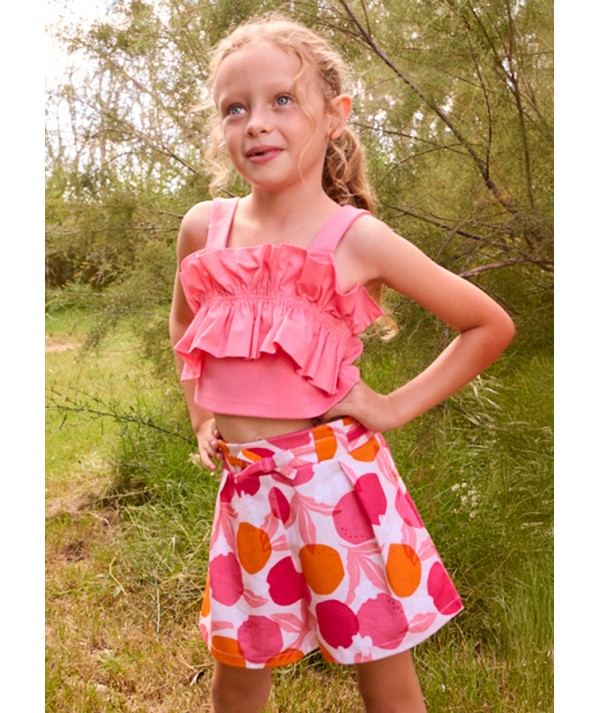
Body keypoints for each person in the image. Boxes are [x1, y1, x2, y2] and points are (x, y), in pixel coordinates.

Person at [169, 13, 515, 713]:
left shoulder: (357, 238)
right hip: (247, 491)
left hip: (338, 488)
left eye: (282, 100)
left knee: (380, 669)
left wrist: (391, 407)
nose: (256, 123)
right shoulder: (206, 228)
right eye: (235, 108)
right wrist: (202, 412)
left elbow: (488, 325)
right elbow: (184, 324)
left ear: (334, 116)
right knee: (238, 670)